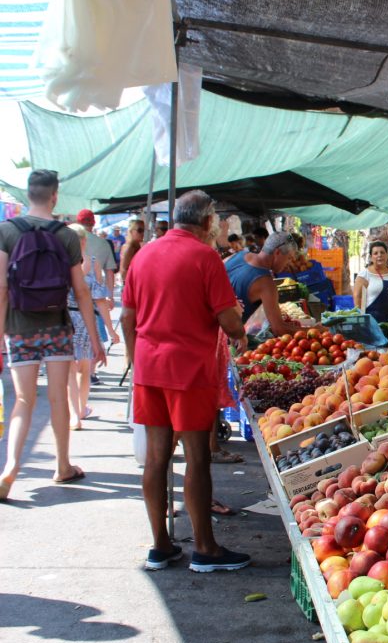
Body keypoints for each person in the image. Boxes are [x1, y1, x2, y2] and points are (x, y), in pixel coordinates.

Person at [121, 189, 250, 572]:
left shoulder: (144, 254)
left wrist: (136, 359)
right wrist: (238, 322)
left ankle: (160, 545)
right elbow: (231, 323)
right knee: (196, 458)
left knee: (156, 458)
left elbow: (127, 318)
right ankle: (205, 548)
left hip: (149, 368)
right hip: (189, 369)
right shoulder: (205, 256)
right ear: (208, 222)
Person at [0, 170, 105, 500]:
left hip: (19, 327)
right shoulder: (66, 235)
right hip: (57, 326)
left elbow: (2, 289)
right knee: (60, 394)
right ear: (55, 196)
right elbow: (82, 291)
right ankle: (62, 465)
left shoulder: (6, 231)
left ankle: (10, 469)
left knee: (22, 400)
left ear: (27, 195)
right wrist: (96, 338)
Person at [224, 232, 303, 336]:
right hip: (229, 339)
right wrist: (316, 329)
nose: (288, 263)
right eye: (288, 258)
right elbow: (279, 329)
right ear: (277, 252)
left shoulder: (236, 256)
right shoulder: (266, 283)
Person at [65, 223, 102, 430]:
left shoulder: (61, 263)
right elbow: (99, 297)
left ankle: (74, 415)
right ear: (84, 240)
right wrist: (110, 329)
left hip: (67, 318)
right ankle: (80, 408)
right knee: (85, 368)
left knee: (70, 370)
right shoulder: (91, 262)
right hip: (86, 319)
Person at [75, 209, 121, 347]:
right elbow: (109, 272)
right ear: (93, 224)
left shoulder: (68, 242)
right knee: (94, 343)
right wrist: (111, 296)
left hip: (72, 299)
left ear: (78, 222)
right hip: (94, 297)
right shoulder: (103, 244)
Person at [354, 240, 388, 322]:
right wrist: (361, 319)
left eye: (382, 252)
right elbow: (357, 297)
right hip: (376, 323)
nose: (379, 255)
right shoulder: (365, 274)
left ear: (387, 255)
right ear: (371, 257)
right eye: (375, 253)